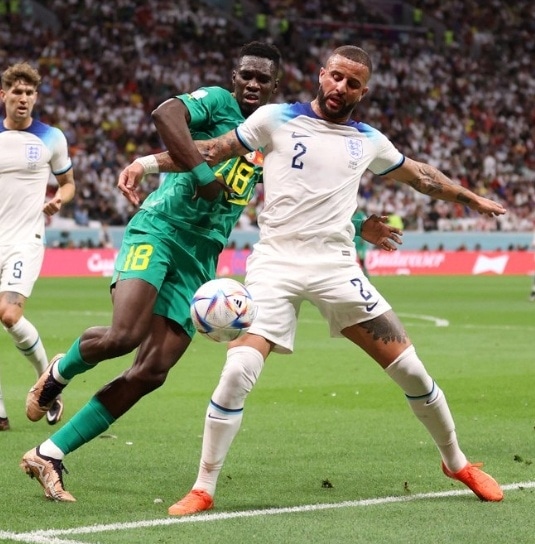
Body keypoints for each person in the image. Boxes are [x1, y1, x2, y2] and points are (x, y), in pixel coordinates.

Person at [121, 44, 507, 515]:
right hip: (275, 266)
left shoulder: (369, 140)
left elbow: (422, 177)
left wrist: (472, 199)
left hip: (336, 268)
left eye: (352, 83)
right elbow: (212, 150)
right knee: (237, 372)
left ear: (363, 92)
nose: (341, 87)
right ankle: (204, 487)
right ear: (322, 74)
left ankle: (457, 462)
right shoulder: (274, 119)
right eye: (336, 76)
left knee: (412, 371)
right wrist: (146, 164)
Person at [20, 42, 400, 501]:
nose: (253, 84)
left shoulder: (278, 128)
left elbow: (304, 196)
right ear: (235, 77)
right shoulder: (218, 103)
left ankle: (49, 454)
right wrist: (192, 174)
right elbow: (166, 115)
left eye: (263, 79)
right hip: (160, 230)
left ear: (275, 86)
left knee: (152, 371)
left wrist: (359, 224)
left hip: (201, 258)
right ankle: (60, 372)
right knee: (124, 335)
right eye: (246, 75)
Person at [0, 62, 75, 431]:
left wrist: (59, 199)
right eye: (17, 92)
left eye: (30, 93)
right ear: (4, 95)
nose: (24, 98)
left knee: (9, 315)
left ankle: (48, 384)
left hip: (24, 239)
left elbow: (68, 183)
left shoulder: (51, 138)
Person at [352, 208, 370, 277]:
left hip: (360, 242)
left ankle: (366, 276)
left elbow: (366, 225)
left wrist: (363, 238)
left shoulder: (360, 215)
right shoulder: (350, 214)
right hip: (353, 241)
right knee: (352, 260)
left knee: (362, 260)